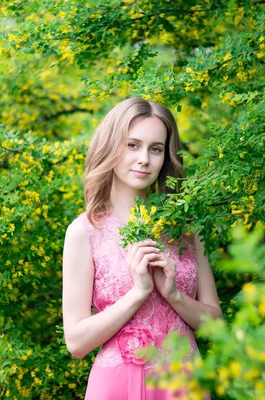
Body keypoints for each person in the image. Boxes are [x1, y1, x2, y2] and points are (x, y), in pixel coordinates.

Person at [62, 97, 222, 399]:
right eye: (132, 145)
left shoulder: (184, 228)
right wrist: (138, 292)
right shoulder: (84, 232)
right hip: (118, 384)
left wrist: (173, 295)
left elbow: (215, 324)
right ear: (111, 146)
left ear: (166, 156)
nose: (144, 159)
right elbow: (76, 342)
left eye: (156, 149)